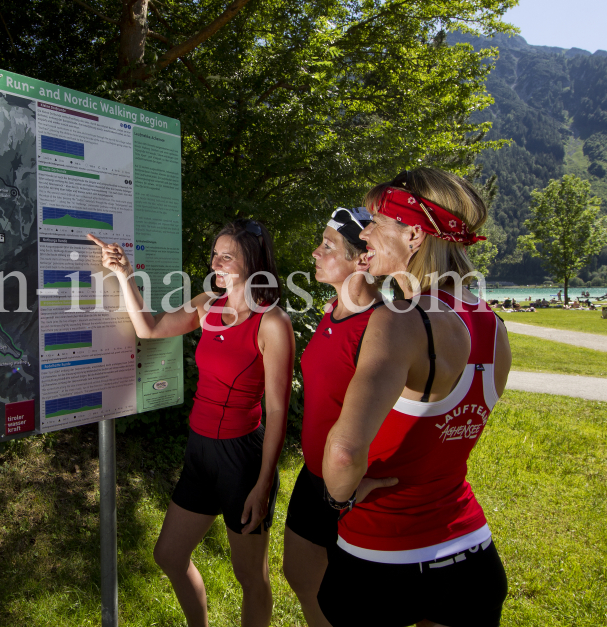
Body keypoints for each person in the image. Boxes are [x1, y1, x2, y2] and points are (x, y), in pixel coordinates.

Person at [318, 168, 513, 627]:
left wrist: (337, 499)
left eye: (376, 223)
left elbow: (345, 453)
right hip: (470, 556)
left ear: (412, 235)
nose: (364, 232)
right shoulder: (492, 324)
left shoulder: (402, 320)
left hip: (383, 560)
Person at [88, 220, 295, 627]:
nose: (216, 262)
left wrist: (265, 481)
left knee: (250, 576)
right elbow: (149, 329)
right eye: (215, 253)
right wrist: (124, 274)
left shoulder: (272, 323)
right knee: (168, 554)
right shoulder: (207, 304)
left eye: (227, 256)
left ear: (252, 262)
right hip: (200, 450)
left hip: (242, 458)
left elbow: (277, 412)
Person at [282, 207, 396, 626]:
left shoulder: (381, 327)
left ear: (361, 259)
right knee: (299, 574)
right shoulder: (332, 313)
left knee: (352, 602)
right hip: (314, 476)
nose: (315, 252)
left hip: (350, 488)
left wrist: (352, 484)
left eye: (327, 246)